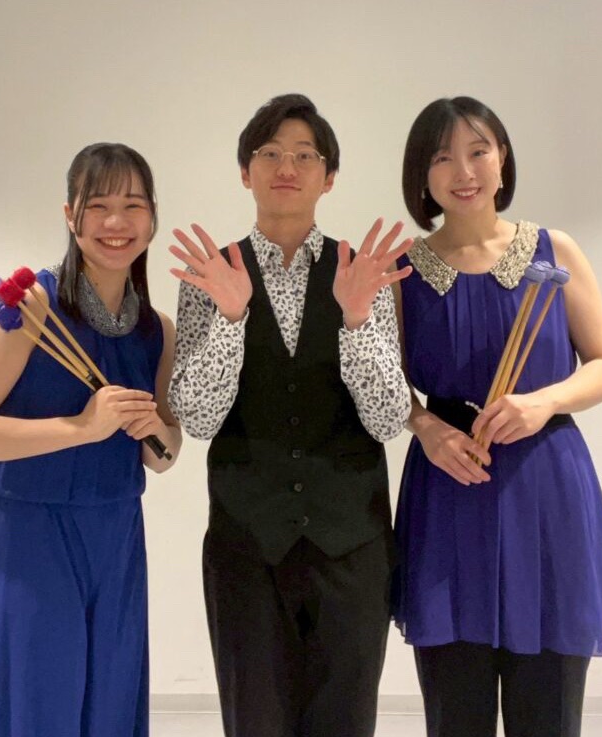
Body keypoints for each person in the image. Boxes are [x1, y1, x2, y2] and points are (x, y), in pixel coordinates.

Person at [168, 93, 412, 737]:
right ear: (244, 171)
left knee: (346, 722)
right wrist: (230, 318)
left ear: (329, 177)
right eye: (270, 153)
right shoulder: (209, 275)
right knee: (255, 723)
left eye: (306, 155)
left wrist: (356, 319)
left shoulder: (364, 272)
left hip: (351, 543)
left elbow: (389, 419)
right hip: (246, 545)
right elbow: (197, 416)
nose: (287, 167)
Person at [0, 142, 181, 737]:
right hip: (28, 535)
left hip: (118, 535)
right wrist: (80, 428)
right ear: (70, 215)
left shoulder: (156, 330)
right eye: (98, 205)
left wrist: (158, 431)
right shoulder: (30, 310)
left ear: (152, 218)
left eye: (133, 205)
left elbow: (163, 457)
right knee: (37, 706)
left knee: (111, 705)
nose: (116, 222)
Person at [392, 96, 602, 737]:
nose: (464, 171)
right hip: (448, 484)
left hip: (545, 486)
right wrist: (426, 428)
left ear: (503, 159)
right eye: (444, 157)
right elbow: (384, 385)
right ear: (423, 174)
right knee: (455, 710)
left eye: (478, 151)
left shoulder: (555, 249)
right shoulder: (402, 270)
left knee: (549, 709)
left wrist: (544, 401)